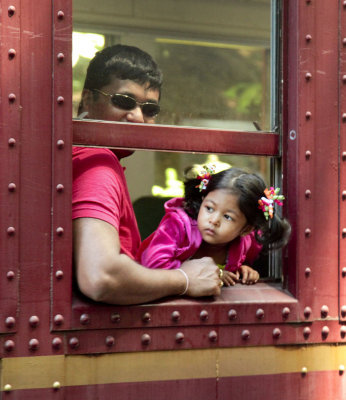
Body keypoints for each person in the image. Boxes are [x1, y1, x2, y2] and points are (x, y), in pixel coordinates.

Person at [72, 44, 221, 305]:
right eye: (123, 101)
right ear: (87, 99)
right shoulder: (98, 165)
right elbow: (101, 276)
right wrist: (184, 280)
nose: (138, 118)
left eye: (150, 109)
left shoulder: (81, 155)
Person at [137, 165, 291, 286]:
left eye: (227, 217)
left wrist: (240, 270)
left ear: (246, 229)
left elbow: (228, 269)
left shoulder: (245, 242)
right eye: (209, 208)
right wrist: (214, 273)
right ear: (203, 199)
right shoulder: (177, 225)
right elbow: (154, 264)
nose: (214, 220)